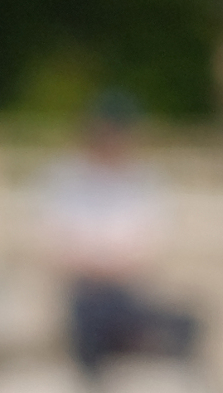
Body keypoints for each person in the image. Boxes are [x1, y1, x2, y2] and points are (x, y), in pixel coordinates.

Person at [34, 95, 205, 373]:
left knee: (183, 320)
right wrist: (96, 265)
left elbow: (149, 245)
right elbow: (54, 242)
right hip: (83, 290)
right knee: (91, 315)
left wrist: (111, 265)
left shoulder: (145, 179)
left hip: (128, 290)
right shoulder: (65, 178)